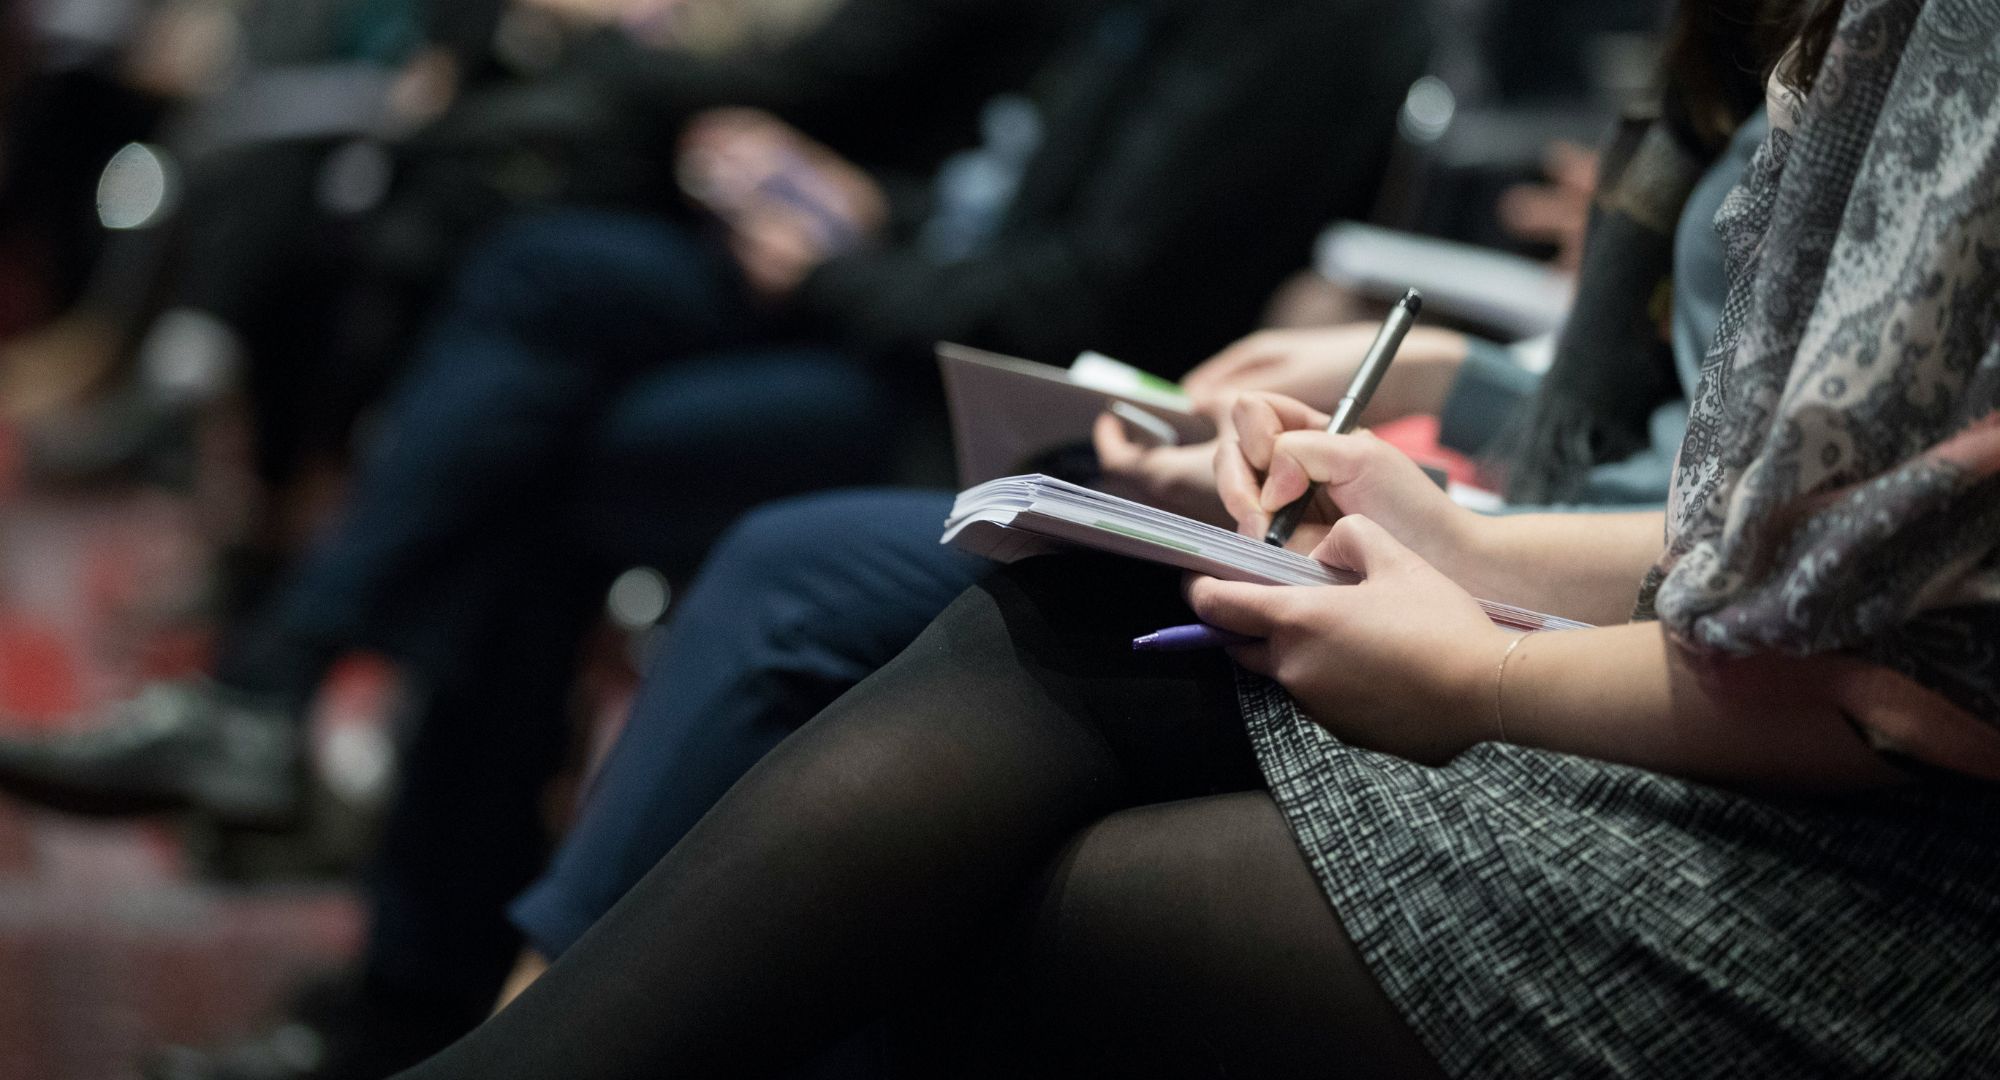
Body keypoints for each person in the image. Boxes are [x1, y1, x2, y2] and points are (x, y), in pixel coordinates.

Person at [393, 0, 2000, 1074]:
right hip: (1707, 659)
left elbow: (1904, 681)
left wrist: (1484, 660)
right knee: (1025, 611)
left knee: (972, 858)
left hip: (1896, 884)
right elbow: (1758, 537)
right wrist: (1455, 531)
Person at [0, 0, 1434, 1075]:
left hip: (1030, 415)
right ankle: (374, 874)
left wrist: (847, 257)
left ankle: (439, 979)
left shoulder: (1298, 23)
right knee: (540, 280)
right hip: (917, 311)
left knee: (561, 465)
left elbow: (1073, 300)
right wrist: (864, 214)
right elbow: (991, 181)